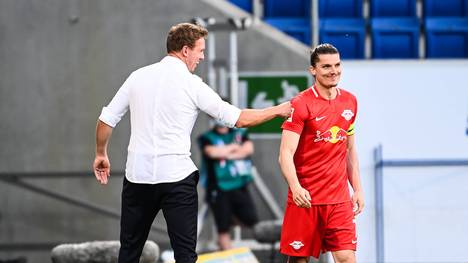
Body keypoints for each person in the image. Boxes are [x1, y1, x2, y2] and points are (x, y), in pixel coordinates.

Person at [92, 22, 291, 263]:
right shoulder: (191, 84)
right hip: (176, 178)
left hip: (138, 177)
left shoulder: (138, 77)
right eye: (200, 50)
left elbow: (106, 119)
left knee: (129, 252)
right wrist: (279, 110)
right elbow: (238, 119)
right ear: (185, 50)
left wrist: (101, 153)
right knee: (185, 256)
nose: (202, 56)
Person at [278, 43, 364, 263]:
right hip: (306, 198)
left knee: (346, 257)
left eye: (337, 65)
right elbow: (285, 154)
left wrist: (357, 189)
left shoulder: (350, 101)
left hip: (339, 199)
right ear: (313, 70)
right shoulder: (301, 103)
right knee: (299, 260)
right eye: (326, 66)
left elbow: (350, 149)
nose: (333, 71)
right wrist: (296, 187)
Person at [198, 119, 258, 250]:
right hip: (218, 188)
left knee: (250, 218)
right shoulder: (206, 137)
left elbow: (248, 150)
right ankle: (229, 256)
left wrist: (226, 154)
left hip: (239, 184)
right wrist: (234, 148)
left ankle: (229, 218)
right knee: (222, 228)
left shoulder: (239, 133)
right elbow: (212, 152)